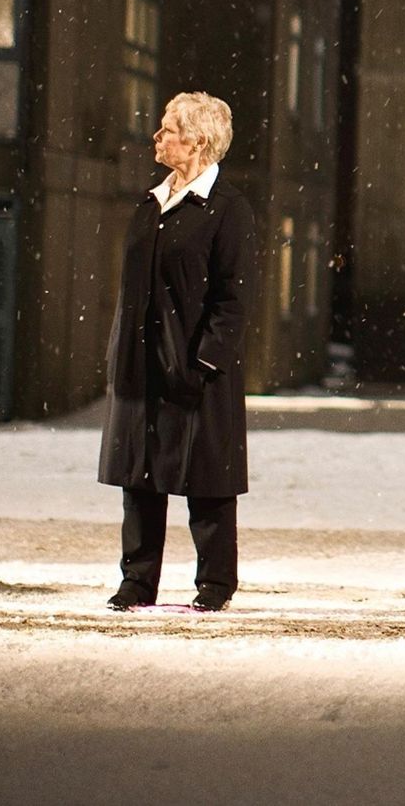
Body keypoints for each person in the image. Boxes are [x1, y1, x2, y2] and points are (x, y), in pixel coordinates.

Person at [99, 91, 255, 613]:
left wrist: (205, 361)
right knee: (139, 476)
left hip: (195, 369)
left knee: (206, 481)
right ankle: (136, 582)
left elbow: (233, 298)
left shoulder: (227, 209)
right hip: (141, 366)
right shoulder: (152, 202)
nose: (158, 137)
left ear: (198, 141)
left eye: (168, 129)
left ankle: (215, 584)